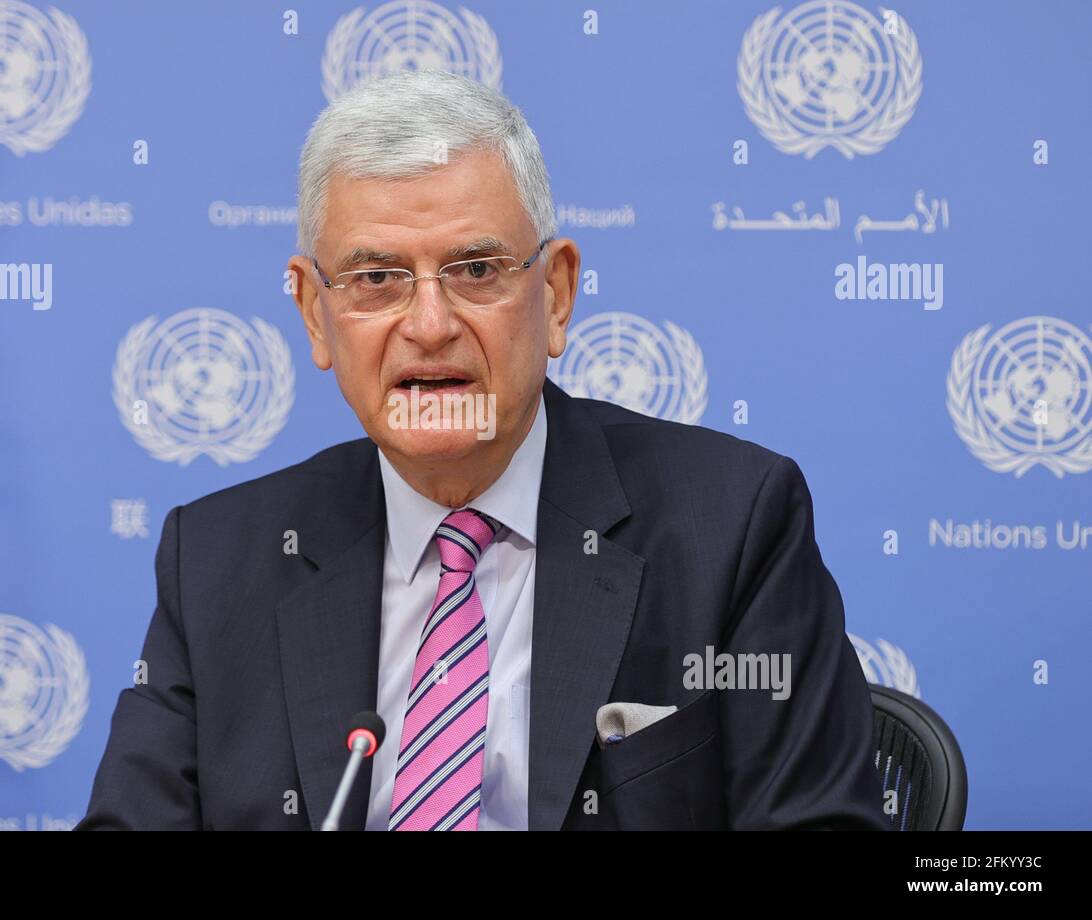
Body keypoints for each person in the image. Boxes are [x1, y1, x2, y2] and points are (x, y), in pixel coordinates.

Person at [77, 69, 887, 831]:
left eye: (474, 269)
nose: (430, 324)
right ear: (316, 316)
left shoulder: (732, 526)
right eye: (375, 279)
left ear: (556, 293)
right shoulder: (218, 558)